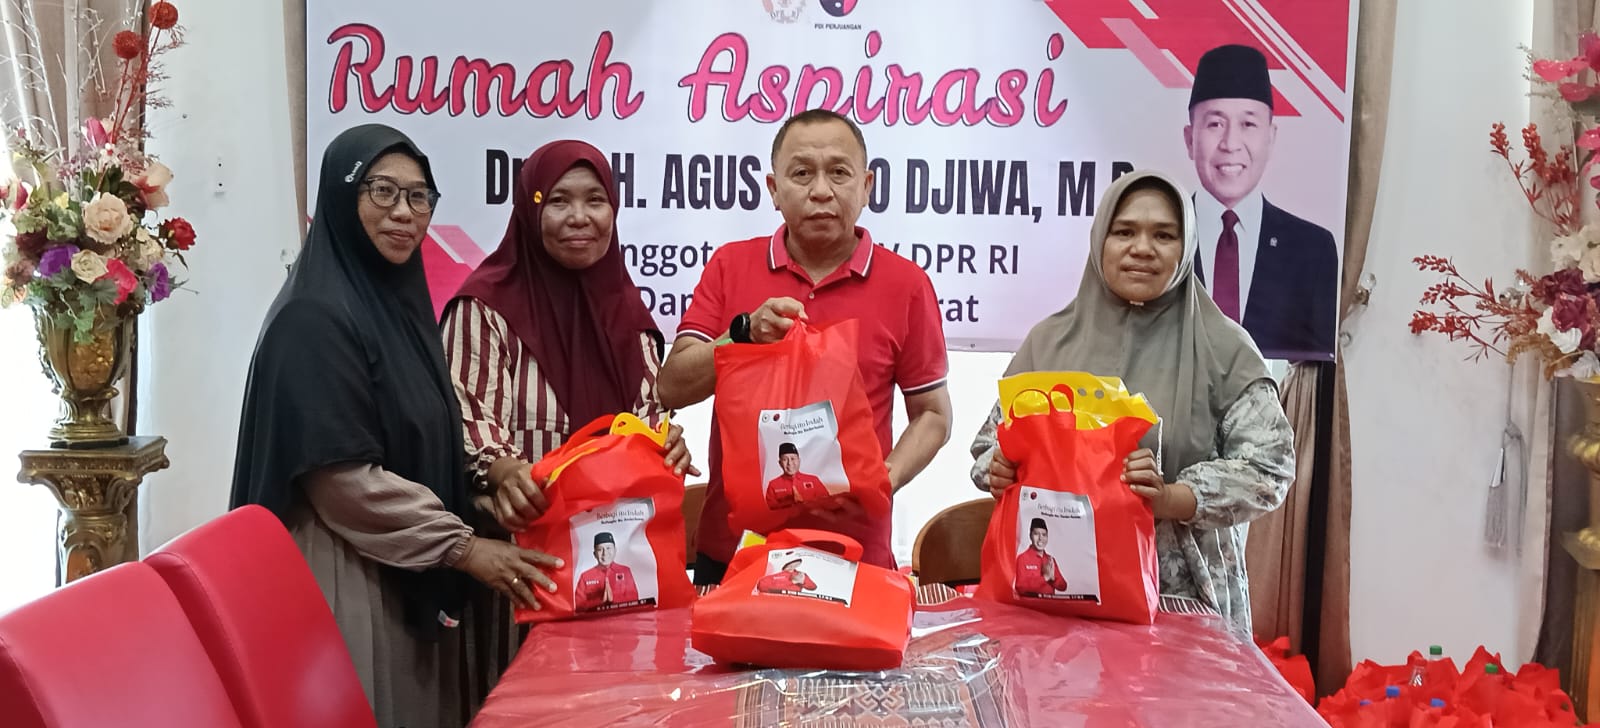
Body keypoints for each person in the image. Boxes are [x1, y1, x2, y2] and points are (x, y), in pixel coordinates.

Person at [231, 124, 563, 728]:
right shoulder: (312, 318)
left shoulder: (396, 309)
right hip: (346, 571)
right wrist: (464, 546)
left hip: (408, 558)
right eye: (382, 191)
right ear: (341, 196)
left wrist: (479, 497)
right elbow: (343, 483)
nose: (404, 213)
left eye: (419, 197)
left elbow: (418, 435)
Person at [970, 169, 1294, 633]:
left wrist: (1172, 498)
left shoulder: (1225, 349)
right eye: (1124, 232)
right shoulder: (1049, 343)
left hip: (1180, 602)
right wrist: (1000, 469)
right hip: (1053, 599)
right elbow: (990, 447)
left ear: (1187, 248)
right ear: (1100, 240)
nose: (1142, 248)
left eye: (1164, 235)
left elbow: (1269, 470)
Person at [658, 109, 952, 583]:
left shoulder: (907, 285)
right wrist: (742, 334)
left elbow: (933, 414)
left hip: (856, 554)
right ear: (774, 190)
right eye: (801, 174)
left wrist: (886, 478)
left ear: (867, 186)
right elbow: (671, 387)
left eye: (839, 172)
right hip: (736, 551)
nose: (820, 190)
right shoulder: (730, 266)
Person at [442, 139, 696, 536]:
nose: (579, 217)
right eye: (558, 201)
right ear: (530, 210)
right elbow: (469, 426)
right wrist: (507, 473)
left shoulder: (631, 319)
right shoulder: (485, 309)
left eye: (595, 200)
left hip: (618, 545)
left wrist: (664, 446)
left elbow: (644, 425)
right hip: (521, 547)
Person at [1184, 43, 1339, 360]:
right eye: (1215, 124)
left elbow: (1314, 369)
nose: (1230, 144)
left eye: (1248, 124)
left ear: (1271, 137)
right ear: (1190, 139)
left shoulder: (1312, 250)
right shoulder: (1162, 240)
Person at [575, 532, 639, 610]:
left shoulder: (625, 571)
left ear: (615, 550)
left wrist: (614, 598)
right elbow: (579, 606)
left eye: (608, 548)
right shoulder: (585, 576)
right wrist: (599, 601)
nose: (605, 553)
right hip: (596, 617)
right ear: (594, 554)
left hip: (622, 616)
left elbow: (634, 598)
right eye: (600, 549)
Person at [765, 442, 828, 509]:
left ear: (799, 461)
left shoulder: (813, 480)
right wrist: (789, 503)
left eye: (792, 458)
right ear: (780, 463)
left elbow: (827, 503)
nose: (789, 463)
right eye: (785, 459)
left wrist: (804, 502)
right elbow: (770, 510)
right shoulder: (773, 485)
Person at [1014, 517, 1067, 596]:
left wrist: (1053, 579)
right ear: (1030, 535)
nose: (1040, 538)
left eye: (1044, 535)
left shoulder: (1050, 560)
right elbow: (1020, 587)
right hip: (1030, 603)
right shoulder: (1022, 558)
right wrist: (1045, 577)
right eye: (1036, 534)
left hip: (1049, 603)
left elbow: (1063, 586)